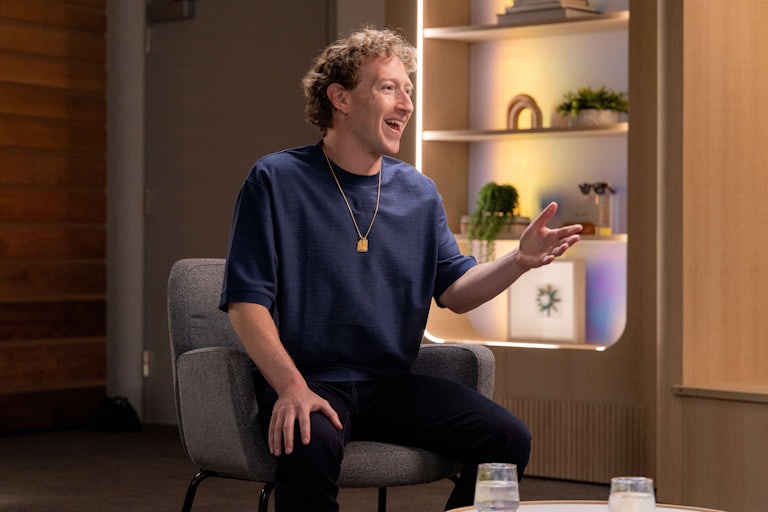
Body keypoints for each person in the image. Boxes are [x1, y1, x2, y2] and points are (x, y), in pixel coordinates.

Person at [220, 27, 582, 511]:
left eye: (408, 89)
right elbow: (247, 304)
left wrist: (518, 261)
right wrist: (291, 389)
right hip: (310, 377)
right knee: (311, 443)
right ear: (340, 98)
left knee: (506, 439)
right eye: (389, 87)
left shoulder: (418, 192)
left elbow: (456, 289)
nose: (406, 103)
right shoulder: (276, 180)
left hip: (390, 384)